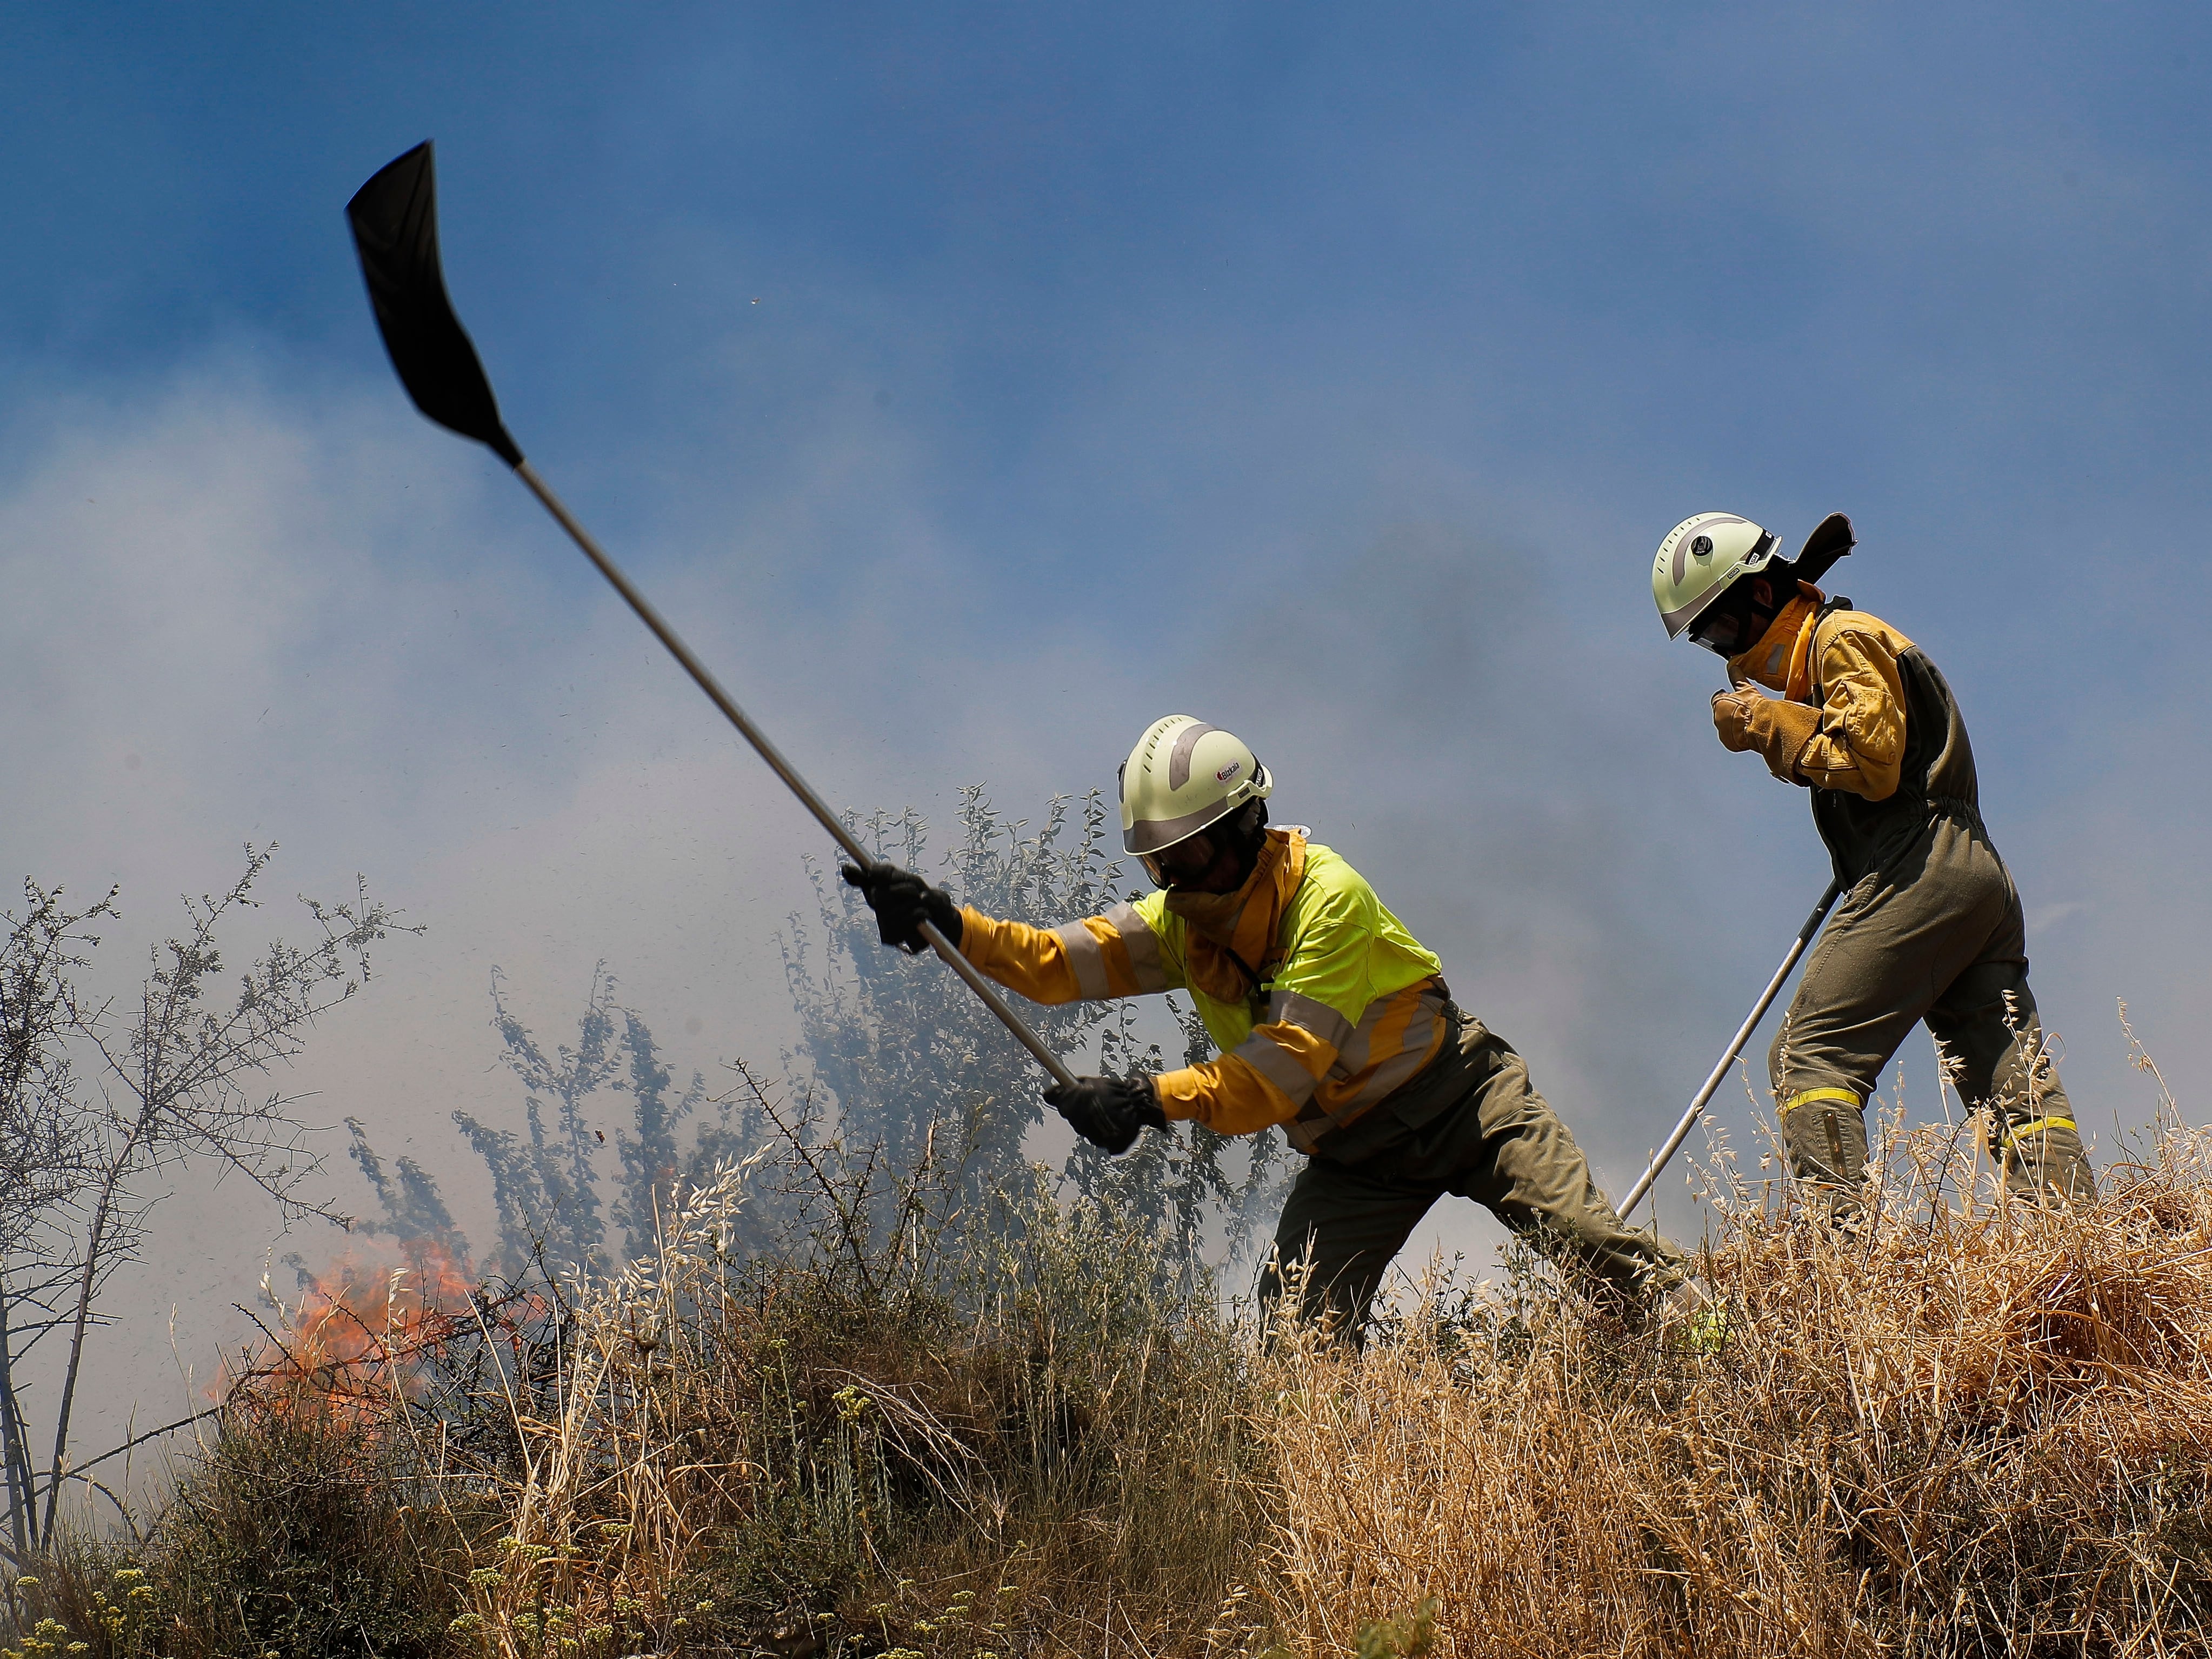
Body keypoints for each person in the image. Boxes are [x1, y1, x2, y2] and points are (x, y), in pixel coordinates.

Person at [841, 715, 1688, 1336]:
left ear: (1245, 826)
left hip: (1465, 1105)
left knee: (1593, 1248)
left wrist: (1145, 1099)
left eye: (1188, 853)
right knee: (1298, 1337)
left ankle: (1725, 1347)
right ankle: (1343, 1501)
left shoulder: (1329, 896)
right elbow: (1055, 964)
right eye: (1158, 861)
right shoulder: (1181, 920)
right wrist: (950, 922)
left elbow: (1282, 1072)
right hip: (1356, 1161)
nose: (1173, 876)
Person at [1653, 510, 2095, 1213]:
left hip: (1923, 864)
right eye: (1707, 638)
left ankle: (1844, 1276)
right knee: (2009, 1079)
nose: (1721, 649)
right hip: (1971, 876)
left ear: (1761, 595)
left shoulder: (1840, 637)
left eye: (1721, 628)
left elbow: (1874, 764)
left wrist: (1768, 723)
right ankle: (2082, 1251)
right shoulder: (1829, 653)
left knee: (1808, 1052)